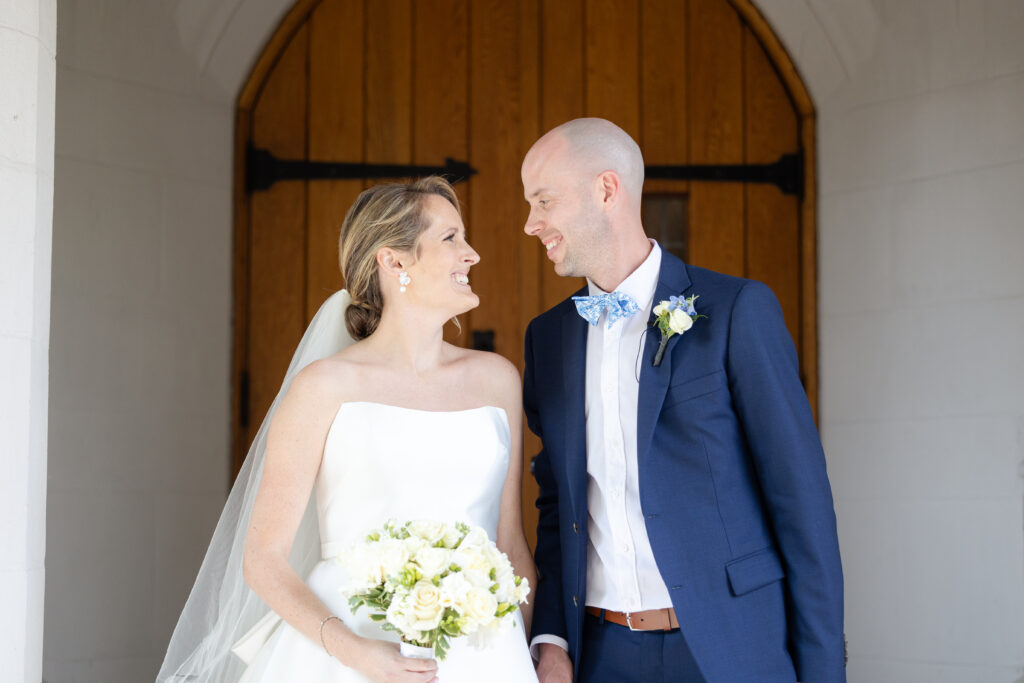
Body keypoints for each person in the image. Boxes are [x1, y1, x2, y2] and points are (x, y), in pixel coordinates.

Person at [157, 177, 538, 683]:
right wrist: (354, 653)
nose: (471, 255)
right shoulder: (323, 388)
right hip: (347, 653)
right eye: (451, 238)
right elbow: (263, 560)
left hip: (484, 654)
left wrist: (509, 652)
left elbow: (510, 546)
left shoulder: (498, 380)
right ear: (393, 260)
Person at [521, 118, 845, 683]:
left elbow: (802, 505)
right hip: (600, 656)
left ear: (606, 189)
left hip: (729, 650)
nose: (531, 224)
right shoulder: (549, 339)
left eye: (544, 201)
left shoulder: (736, 310)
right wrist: (550, 637)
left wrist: (822, 673)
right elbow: (557, 507)